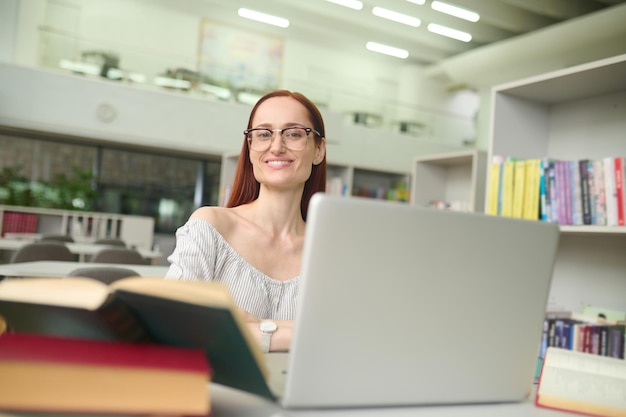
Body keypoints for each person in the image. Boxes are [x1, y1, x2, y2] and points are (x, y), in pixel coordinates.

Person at [166, 90, 327, 353]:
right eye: (264, 134)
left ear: (318, 150)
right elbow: (171, 323)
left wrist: (250, 325)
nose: (276, 146)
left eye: (294, 133)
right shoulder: (211, 226)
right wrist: (290, 334)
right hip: (215, 392)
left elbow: (347, 338)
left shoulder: (330, 251)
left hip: (307, 393)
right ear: (251, 148)